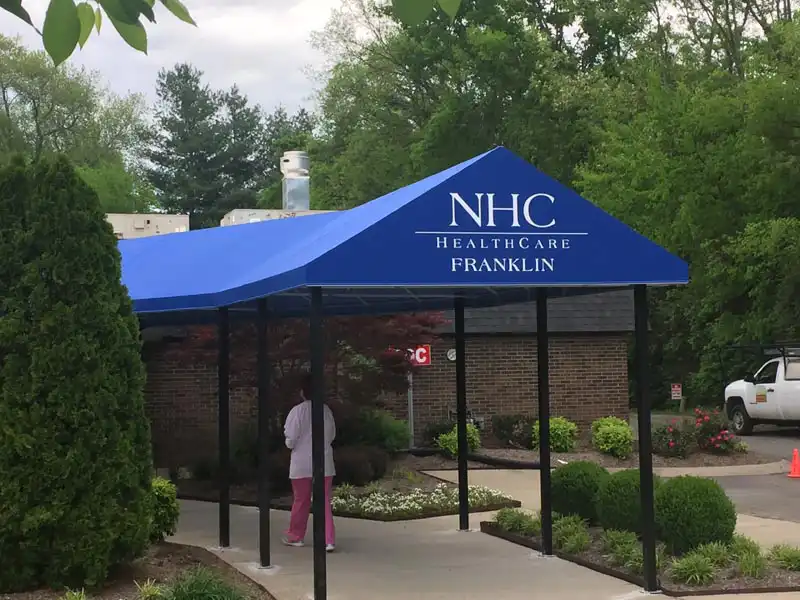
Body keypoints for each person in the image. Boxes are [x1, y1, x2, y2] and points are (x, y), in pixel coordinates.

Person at [281, 372, 337, 552]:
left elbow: (291, 440)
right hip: (324, 462)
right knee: (324, 500)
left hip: (301, 463)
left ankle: (296, 536)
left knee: (301, 500)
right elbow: (331, 435)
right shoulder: (325, 411)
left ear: (302, 392)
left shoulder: (297, 412)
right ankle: (328, 539)